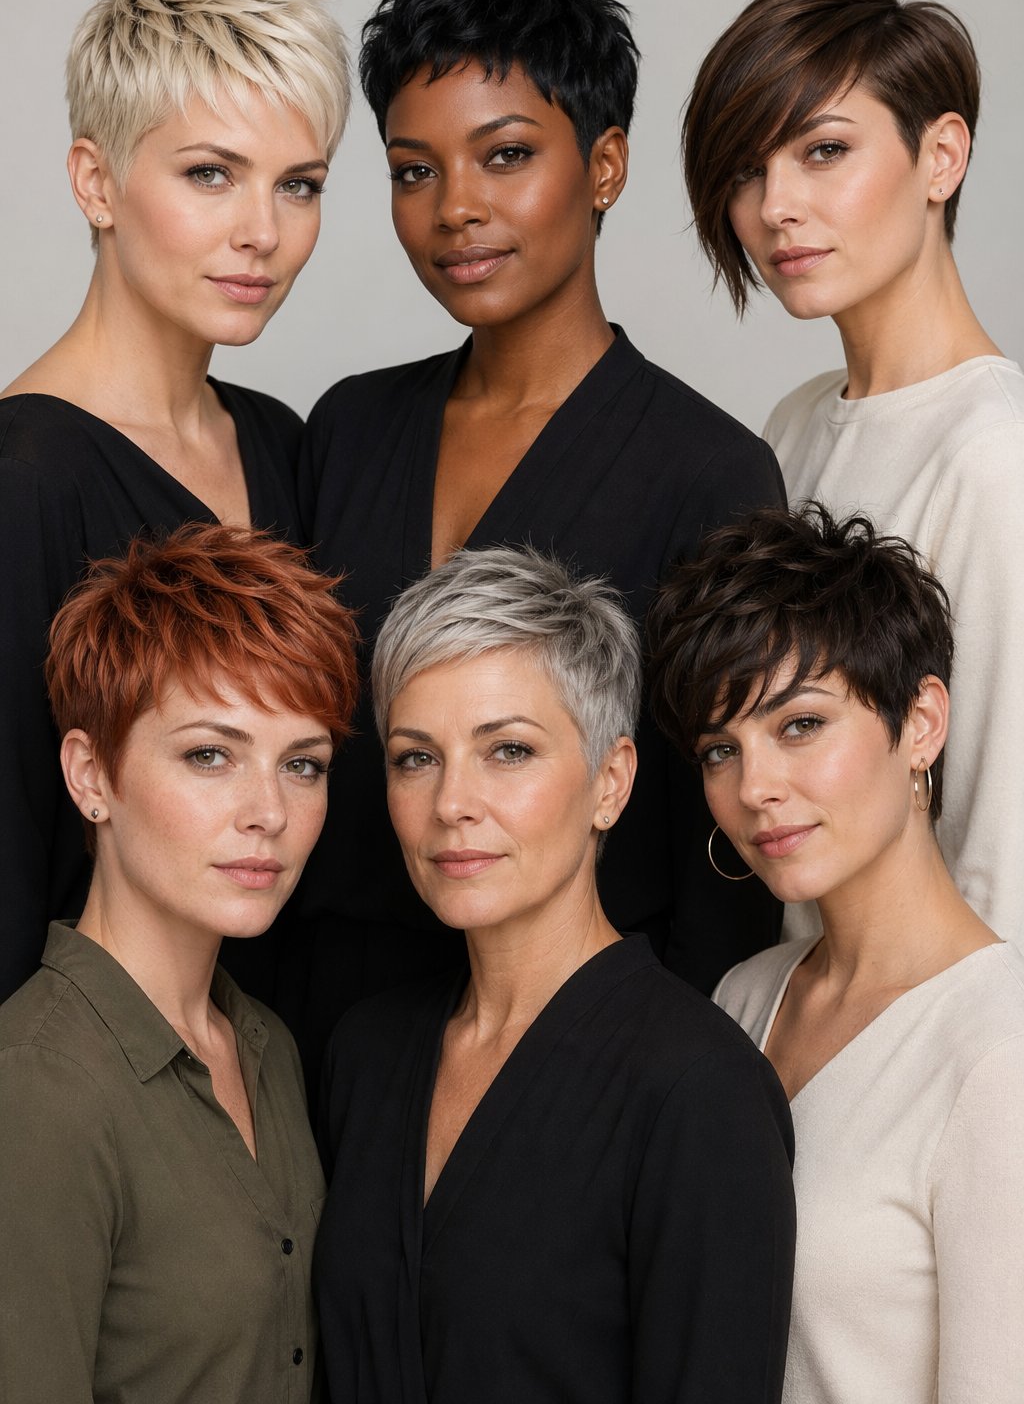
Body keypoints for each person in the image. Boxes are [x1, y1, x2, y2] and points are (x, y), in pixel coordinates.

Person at [296, 0, 783, 1077]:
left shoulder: (709, 470)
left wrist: (660, 1081)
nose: (456, 208)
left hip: (579, 1041)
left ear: (604, 164)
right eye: (414, 171)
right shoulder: (347, 432)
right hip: (329, 1033)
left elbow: (725, 846)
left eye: (504, 155)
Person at [315, 544, 796, 1404]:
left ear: (610, 782)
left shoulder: (699, 1092)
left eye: (508, 750)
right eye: (415, 757)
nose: (453, 801)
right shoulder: (365, 1053)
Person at [0, 0, 350, 1002]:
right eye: (210, 173)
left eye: (299, 186)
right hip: (90, 1088)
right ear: (95, 182)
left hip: (271, 1055)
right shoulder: (25, 481)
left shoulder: (283, 444)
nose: (263, 233)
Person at [646, 505, 1024, 1404]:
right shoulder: (743, 999)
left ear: (922, 720)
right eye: (719, 750)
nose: (755, 789)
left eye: (801, 724)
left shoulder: (997, 1057)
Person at [681, 0, 1024, 949]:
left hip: (938, 1035)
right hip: (796, 995)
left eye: (823, 151)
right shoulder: (791, 427)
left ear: (940, 155)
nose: (775, 206)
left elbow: (1004, 841)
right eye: (745, 171)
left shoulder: (992, 457)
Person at [0, 523, 359, 1402]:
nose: (267, 811)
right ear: (91, 776)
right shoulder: (37, 1086)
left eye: (303, 765)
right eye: (210, 754)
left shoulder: (266, 1044)